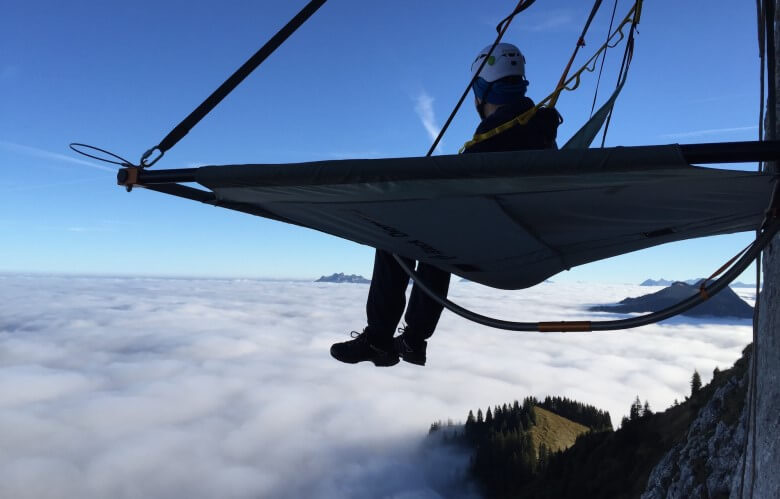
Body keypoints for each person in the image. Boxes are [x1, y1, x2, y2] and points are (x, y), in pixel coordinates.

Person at [330, 43, 561, 367]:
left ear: (480, 91)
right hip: (529, 234)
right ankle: (412, 341)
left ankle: (381, 340)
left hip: (492, 239)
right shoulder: (541, 132)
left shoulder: (489, 148)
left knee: (396, 236)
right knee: (436, 235)